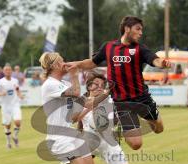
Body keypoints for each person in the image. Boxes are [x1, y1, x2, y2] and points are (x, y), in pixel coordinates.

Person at [66, 16, 171, 150]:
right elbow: (92, 62)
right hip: (122, 102)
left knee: (159, 129)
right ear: (127, 29)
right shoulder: (108, 47)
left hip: (142, 99)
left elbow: (154, 59)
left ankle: (146, 119)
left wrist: (162, 63)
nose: (141, 33)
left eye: (141, 30)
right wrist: (76, 64)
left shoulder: (140, 49)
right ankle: (121, 129)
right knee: (136, 144)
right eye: (138, 29)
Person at [39, 52, 110, 164]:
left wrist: (110, 92)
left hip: (70, 134)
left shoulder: (61, 84)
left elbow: (83, 106)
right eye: (61, 60)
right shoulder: (50, 85)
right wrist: (74, 73)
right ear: (54, 65)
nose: (65, 62)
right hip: (59, 139)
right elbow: (77, 91)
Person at [71, 73, 147, 164]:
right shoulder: (83, 101)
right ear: (89, 86)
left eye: (102, 84)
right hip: (88, 141)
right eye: (95, 84)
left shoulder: (112, 100)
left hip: (108, 142)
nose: (99, 87)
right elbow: (76, 119)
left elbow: (120, 116)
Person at [0, 65, 23, 148]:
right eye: (6, 70)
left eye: (9, 70)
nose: (8, 71)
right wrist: (1, 93)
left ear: (11, 71)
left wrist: (20, 95)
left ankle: (15, 137)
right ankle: (8, 142)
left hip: (15, 104)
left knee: (18, 122)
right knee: (8, 125)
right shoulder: (0, 82)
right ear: (3, 72)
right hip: (5, 106)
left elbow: (17, 89)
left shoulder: (15, 80)